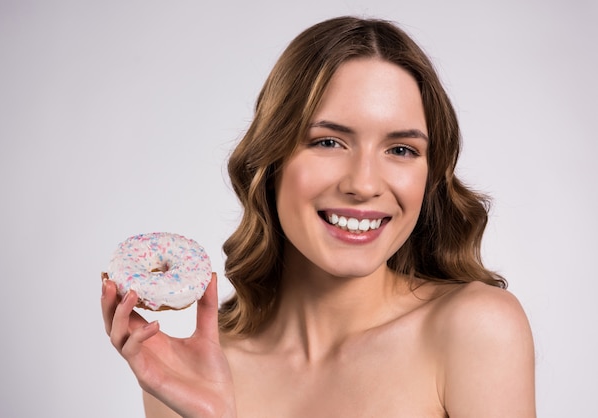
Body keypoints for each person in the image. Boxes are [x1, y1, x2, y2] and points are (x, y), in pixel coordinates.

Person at [101, 16, 535, 417]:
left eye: (401, 150)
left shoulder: (475, 329)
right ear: (270, 161)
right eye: (328, 142)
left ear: (430, 175)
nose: (364, 184)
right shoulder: (192, 368)